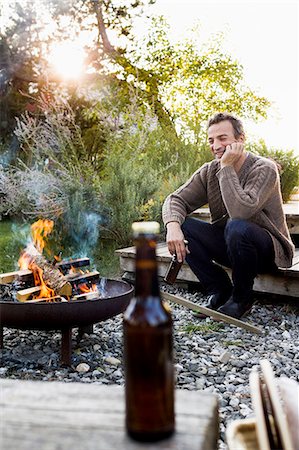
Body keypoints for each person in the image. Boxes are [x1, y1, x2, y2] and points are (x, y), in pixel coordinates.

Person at [162, 112, 295, 319]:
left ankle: (242, 298)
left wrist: (226, 167)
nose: (215, 145)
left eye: (222, 138)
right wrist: (172, 226)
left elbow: (241, 211)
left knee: (237, 226)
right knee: (183, 225)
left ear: (240, 140)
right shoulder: (208, 171)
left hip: (266, 250)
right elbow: (175, 199)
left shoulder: (264, 168)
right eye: (211, 140)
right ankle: (220, 290)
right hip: (232, 244)